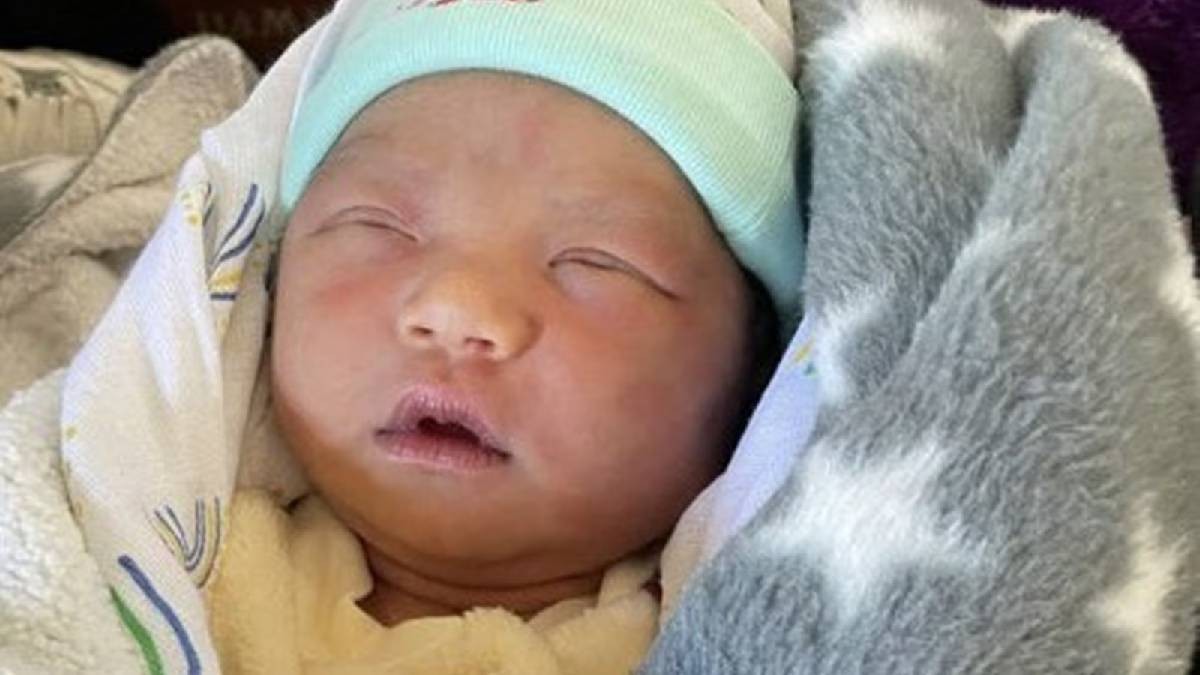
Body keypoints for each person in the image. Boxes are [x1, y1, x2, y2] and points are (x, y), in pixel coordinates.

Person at [201, 0, 805, 671]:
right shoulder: (172, 564)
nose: (456, 308)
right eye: (377, 224)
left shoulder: (760, 631)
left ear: (757, 369)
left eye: (597, 261)